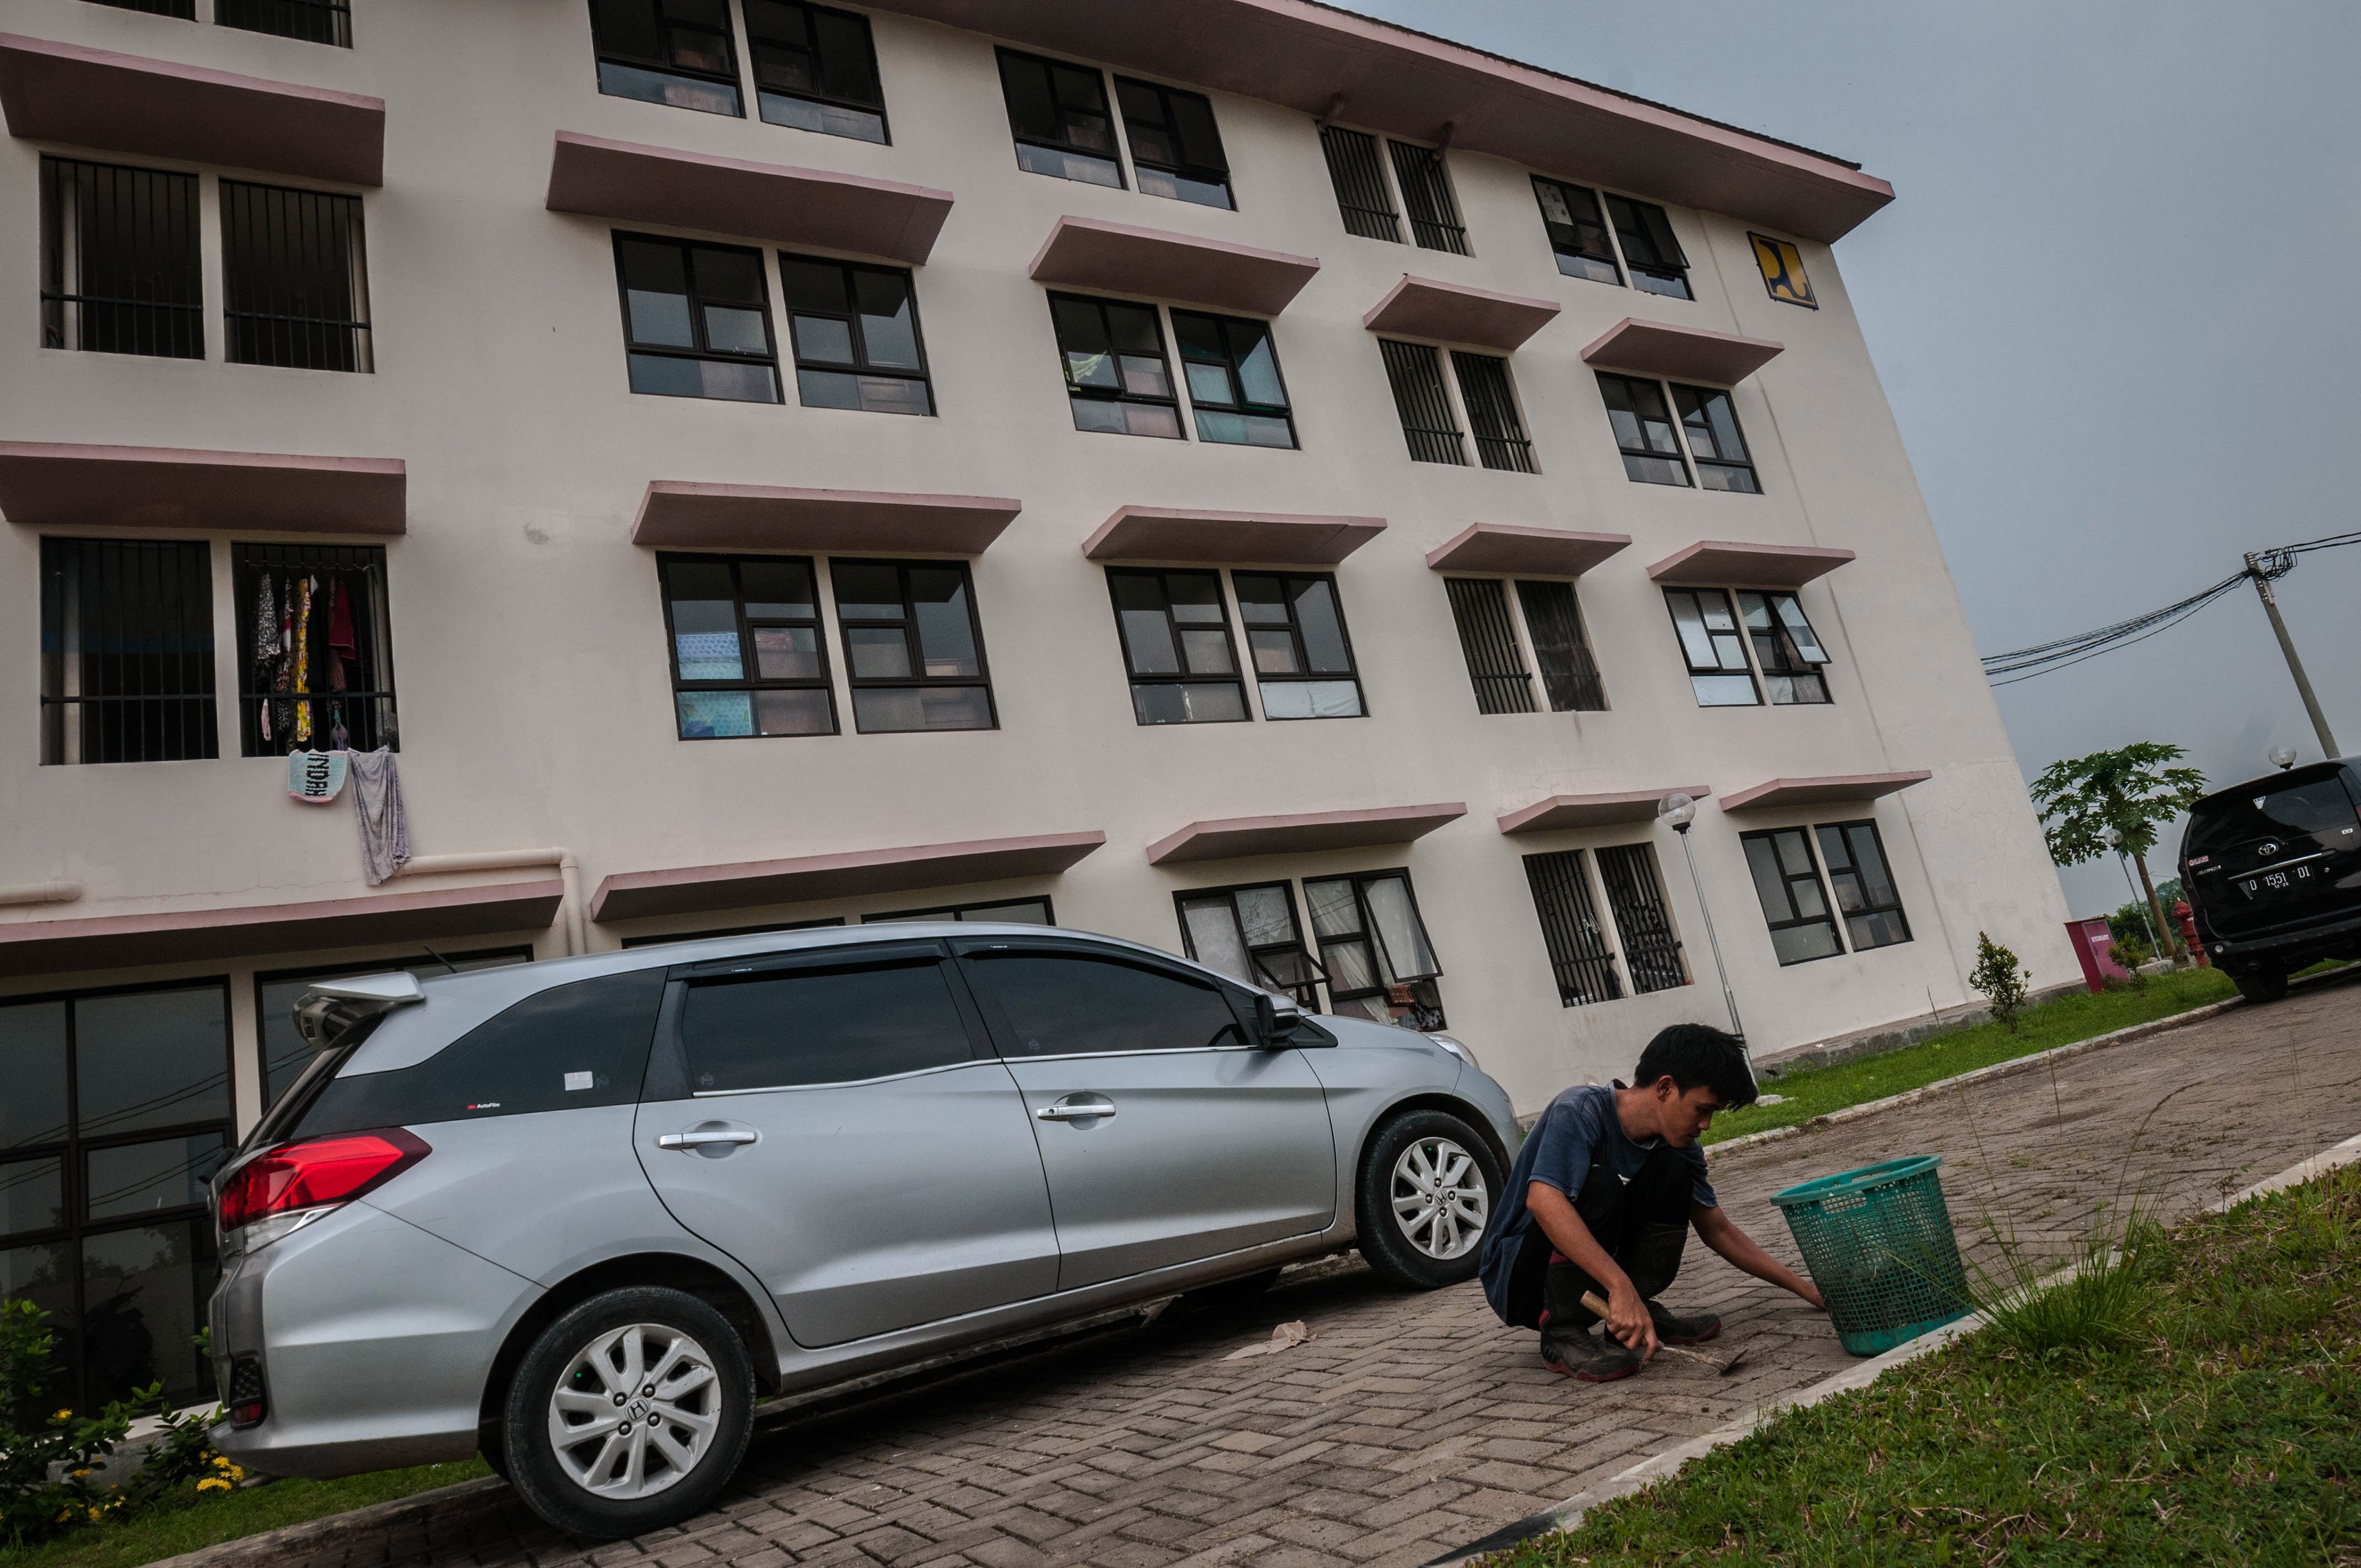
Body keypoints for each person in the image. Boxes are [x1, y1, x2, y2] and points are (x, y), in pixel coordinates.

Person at [1477, 1023, 1826, 1382]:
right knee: (1600, 1184)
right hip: (1520, 1280)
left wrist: (1806, 1289)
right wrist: (1618, 1284)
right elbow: (1543, 1202)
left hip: (1600, 1284)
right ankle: (1563, 1331)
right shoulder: (1579, 1110)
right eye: (1701, 1109)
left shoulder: (1681, 1147)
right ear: (1665, 1087)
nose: (1705, 1124)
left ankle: (1631, 1315)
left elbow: (1718, 1230)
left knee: (1673, 1170)